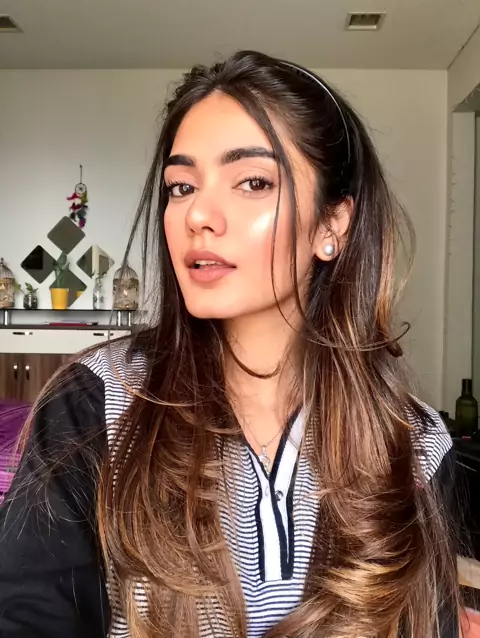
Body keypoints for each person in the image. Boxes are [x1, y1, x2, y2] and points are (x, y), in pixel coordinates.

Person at [0, 50, 459, 638]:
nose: (198, 215)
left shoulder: (414, 442)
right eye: (181, 186)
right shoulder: (97, 402)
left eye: (253, 182)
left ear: (332, 225)